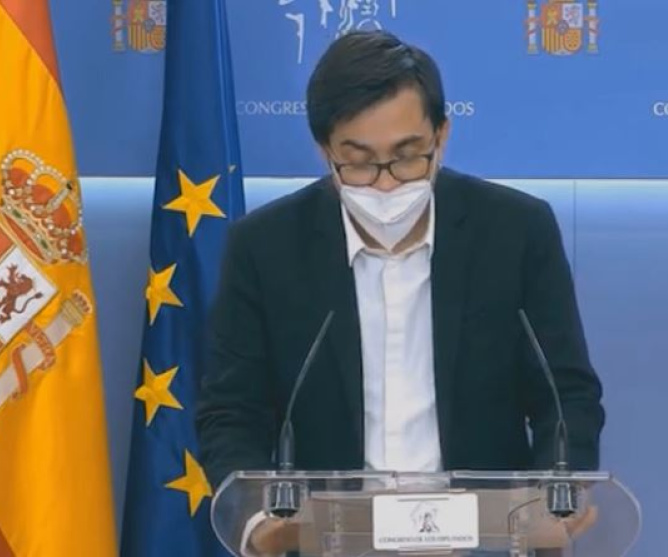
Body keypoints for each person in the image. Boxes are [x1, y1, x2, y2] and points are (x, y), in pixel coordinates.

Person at [195, 30, 605, 556]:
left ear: (442, 136)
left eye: (408, 157)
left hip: (486, 542)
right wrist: (258, 519)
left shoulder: (516, 231)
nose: (386, 185)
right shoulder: (266, 247)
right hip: (328, 543)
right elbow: (232, 411)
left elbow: (565, 396)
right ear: (325, 151)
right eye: (360, 162)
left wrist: (557, 493)